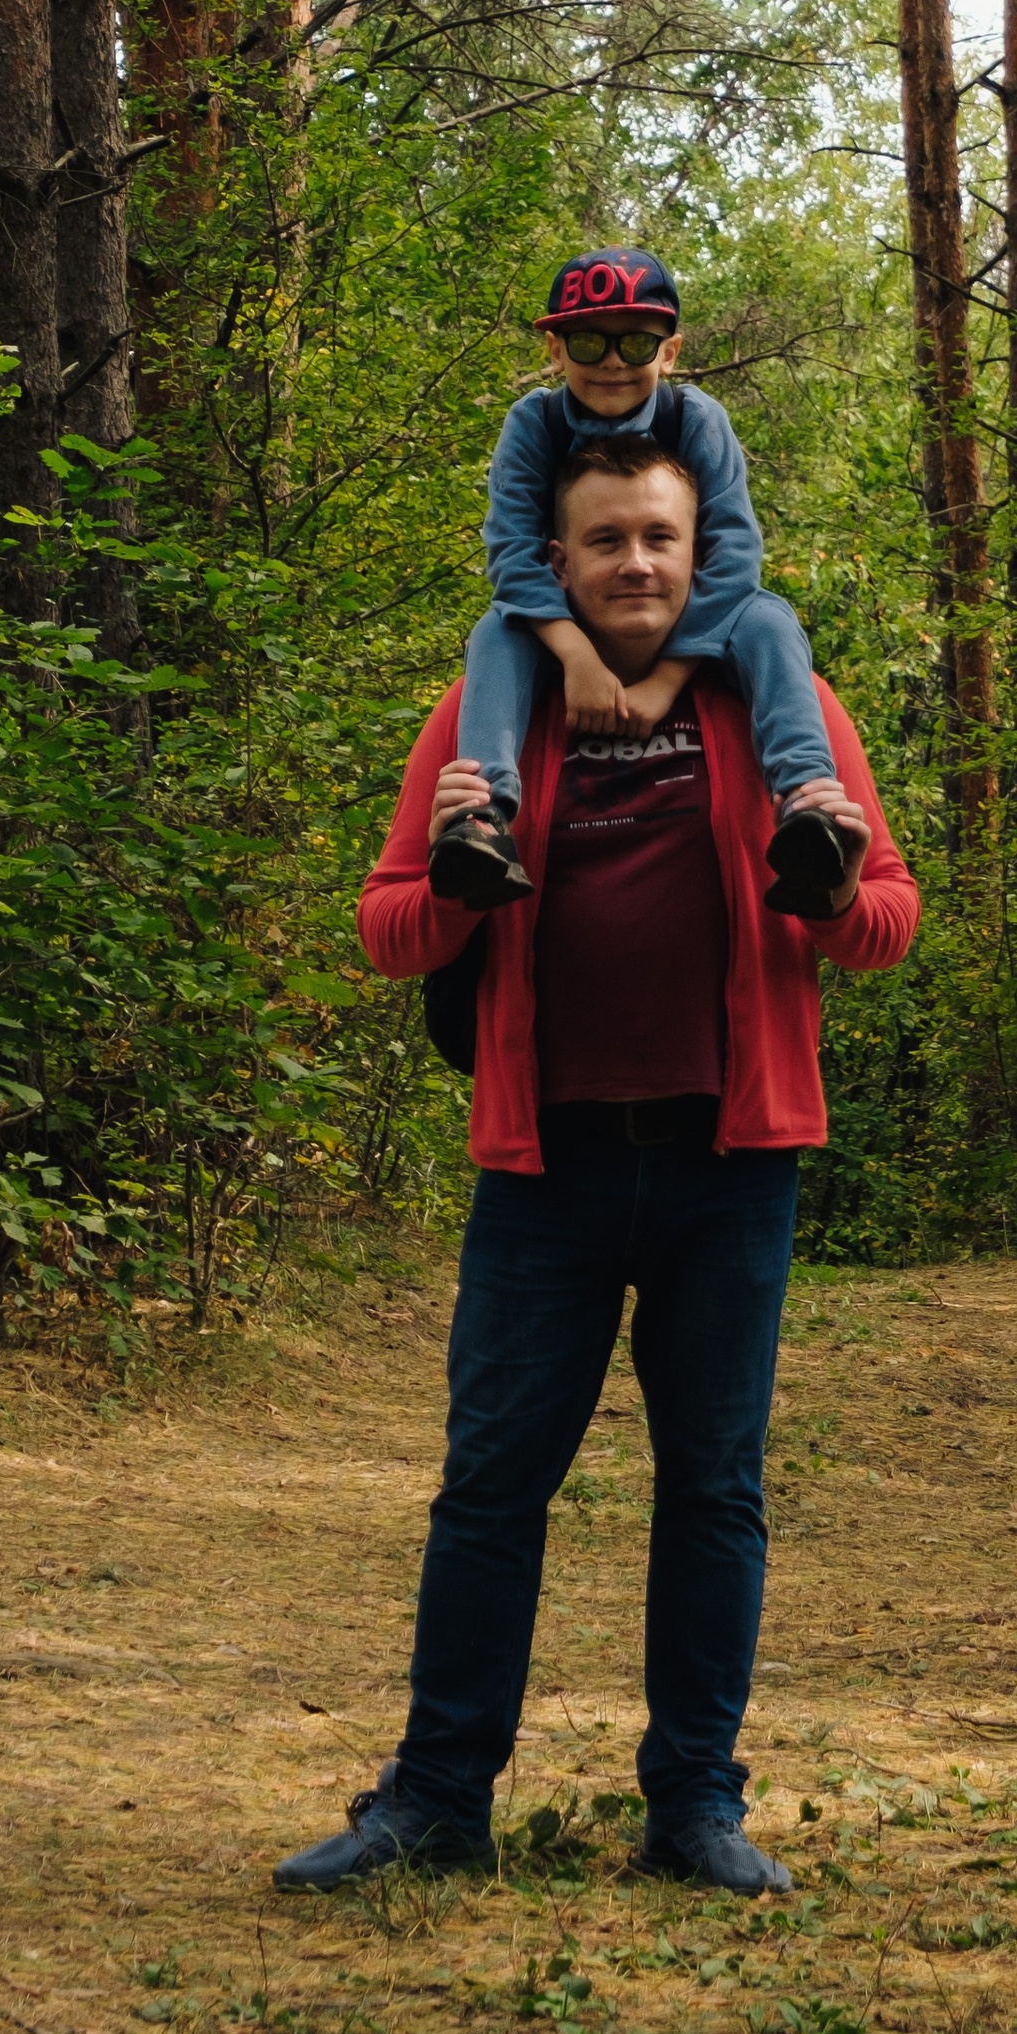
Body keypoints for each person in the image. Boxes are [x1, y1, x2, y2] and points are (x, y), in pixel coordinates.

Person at [273, 423, 918, 1899]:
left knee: (715, 1490)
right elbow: (387, 934)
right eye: (607, 541)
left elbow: (885, 922)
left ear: (705, 559)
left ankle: (694, 1806)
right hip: (543, 1169)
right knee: (490, 1489)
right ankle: (437, 1802)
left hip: (727, 1165)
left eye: (660, 540)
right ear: (553, 562)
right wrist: (444, 878)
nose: (636, 563)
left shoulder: (781, 701)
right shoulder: (490, 712)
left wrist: (819, 885)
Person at [431, 246, 851, 925]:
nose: (613, 362)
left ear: (671, 350)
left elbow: (734, 553)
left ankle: (808, 805)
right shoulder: (533, 424)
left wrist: (668, 680)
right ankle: (478, 819)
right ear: (556, 348)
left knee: (771, 620)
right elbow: (512, 551)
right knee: (493, 633)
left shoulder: (696, 420)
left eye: (636, 342)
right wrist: (576, 657)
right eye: (589, 341)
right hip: (569, 616)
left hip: (697, 616)